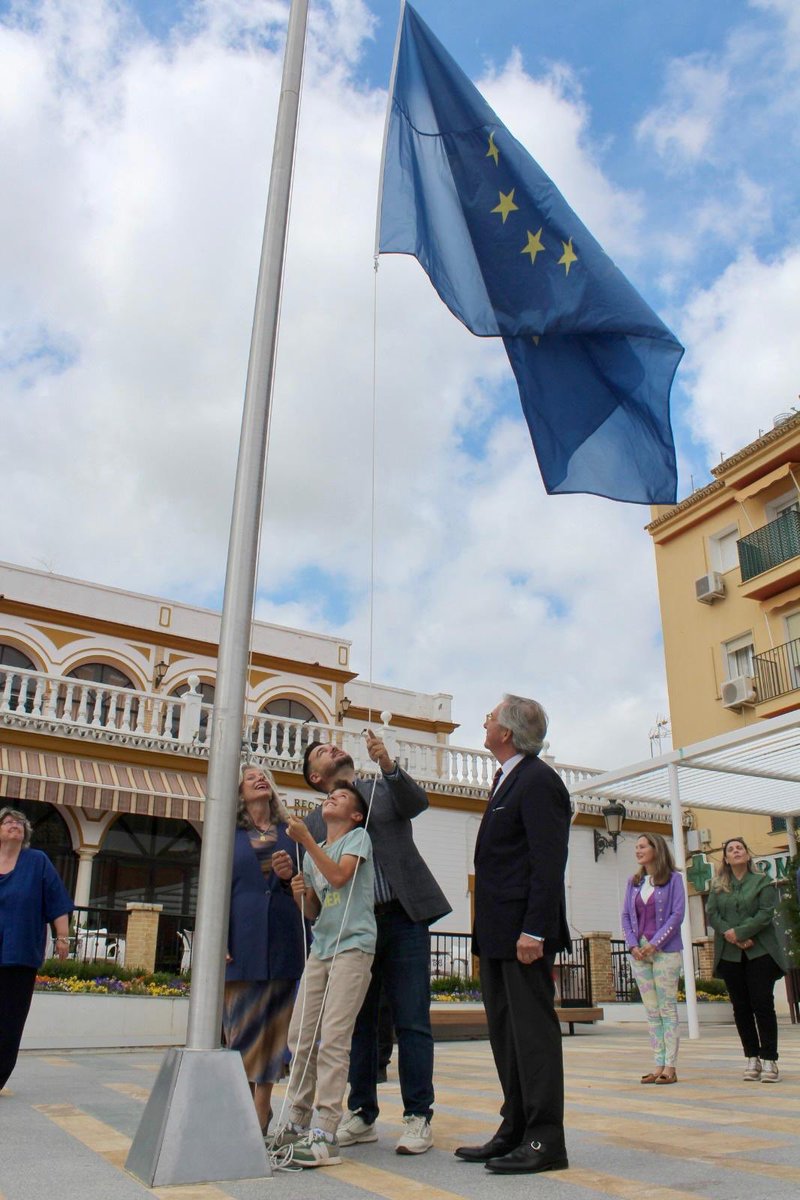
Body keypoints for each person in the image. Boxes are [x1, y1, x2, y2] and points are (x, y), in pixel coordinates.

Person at [302, 731, 451, 1155]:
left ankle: (418, 1116)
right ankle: (362, 1112)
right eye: (320, 751)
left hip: (402, 918)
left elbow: (418, 805)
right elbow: (317, 885)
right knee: (358, 1022)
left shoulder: (383, 788)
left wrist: (388, 764)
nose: (330, 746)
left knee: (412, 1019)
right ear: (316, 776)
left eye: (330, 744)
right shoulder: (316, 821)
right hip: (352, 930)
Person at [455, 696, 571, 1176]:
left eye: (490, 714)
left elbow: (548, 862)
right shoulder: (507, 778)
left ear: (507, 731)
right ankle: (515, 1126)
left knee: (533, 1037)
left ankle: (546, 1140)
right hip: (499, 936)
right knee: (506, 1035)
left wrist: (534, 930)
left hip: (524, 937)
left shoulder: (540, 781)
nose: (483, 719)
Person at [271, 781, 376, 1167]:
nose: (332, 796)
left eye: (343, 796)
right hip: (322, 947)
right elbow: (314, 910)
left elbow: (339, 878)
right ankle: (298, 1120)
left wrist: (307, 844)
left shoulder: (359, 838)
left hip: (354, 946)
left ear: (355, 815)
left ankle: (326, 1128)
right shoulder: (312, 854)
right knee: (301, 1034)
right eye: (330, 794)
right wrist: (295, 886)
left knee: (333, 1036)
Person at [223, 765, 304, 1132]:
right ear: (239, 790)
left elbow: (307, 889)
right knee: (241, 1028)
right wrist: (218, 938)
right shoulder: (229, 835)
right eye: (251, 776)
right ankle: (245, 1102)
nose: (260, 779)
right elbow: (215, 888)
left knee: (274, 1027)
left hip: (284, 938)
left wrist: (288, 879)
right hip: (242, 940)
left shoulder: (292, 835)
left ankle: (260, 1107)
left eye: (265, 776)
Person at [0, 806, 73, 1091]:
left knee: (10, 1021)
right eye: (7, 821)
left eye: (19, 822)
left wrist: (63, 937)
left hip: (20, 955)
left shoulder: (37, 862)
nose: (14, 825)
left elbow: (56, 900)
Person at [706, 836, 787, 1082]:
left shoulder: (762, 882)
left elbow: (765, 914)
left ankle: (770, 1059)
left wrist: (740, 932)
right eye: (730, 849)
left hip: (760, 952)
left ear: (747, 855)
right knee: (741, 1008)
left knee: (762, 1004)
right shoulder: (717, 885)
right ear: (726, 859)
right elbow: (713, 914)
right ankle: (751, 1057)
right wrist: (733, 936)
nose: (736, 851)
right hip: (731, 955)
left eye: (739, 847)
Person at [621, 833, 685, 1084]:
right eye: (636, 847)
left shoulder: (674, 880)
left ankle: (670, 1065)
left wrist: (656, 943)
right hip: (640, 954)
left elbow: (677, 914)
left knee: (667, 1008)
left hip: (665, 953)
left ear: (656, 849)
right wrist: (632, 945)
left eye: (643, 846)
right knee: (651, 1011)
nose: (638, 850)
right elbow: (626, 915)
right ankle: (657, 1063)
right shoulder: (634, 882)